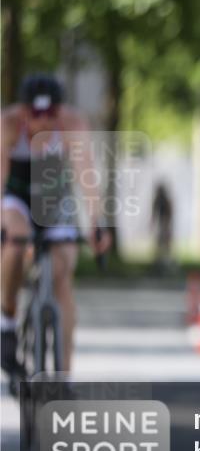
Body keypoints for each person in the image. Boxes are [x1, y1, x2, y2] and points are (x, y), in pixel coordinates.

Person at [1, 73, 110, 380]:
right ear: (23, 112)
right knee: (16, 239)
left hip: (54, 199)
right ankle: (6, 320)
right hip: (17, 197)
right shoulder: (8, 125)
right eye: (36, 114)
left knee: (63, 276)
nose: (44, 121)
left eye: (51, 114)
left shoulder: (72, 125)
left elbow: (86, 176)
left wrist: (97, 223)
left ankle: (63, 377)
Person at [151, 180, 175, 274]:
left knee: (165, 246)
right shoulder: (157, 200)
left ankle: (166, 264)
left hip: (164, 225)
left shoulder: (165, 200)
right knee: (159, 245)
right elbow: (154, 213)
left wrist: (166, 226)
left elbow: (169, 213)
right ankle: (158, 263)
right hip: (161, 225)